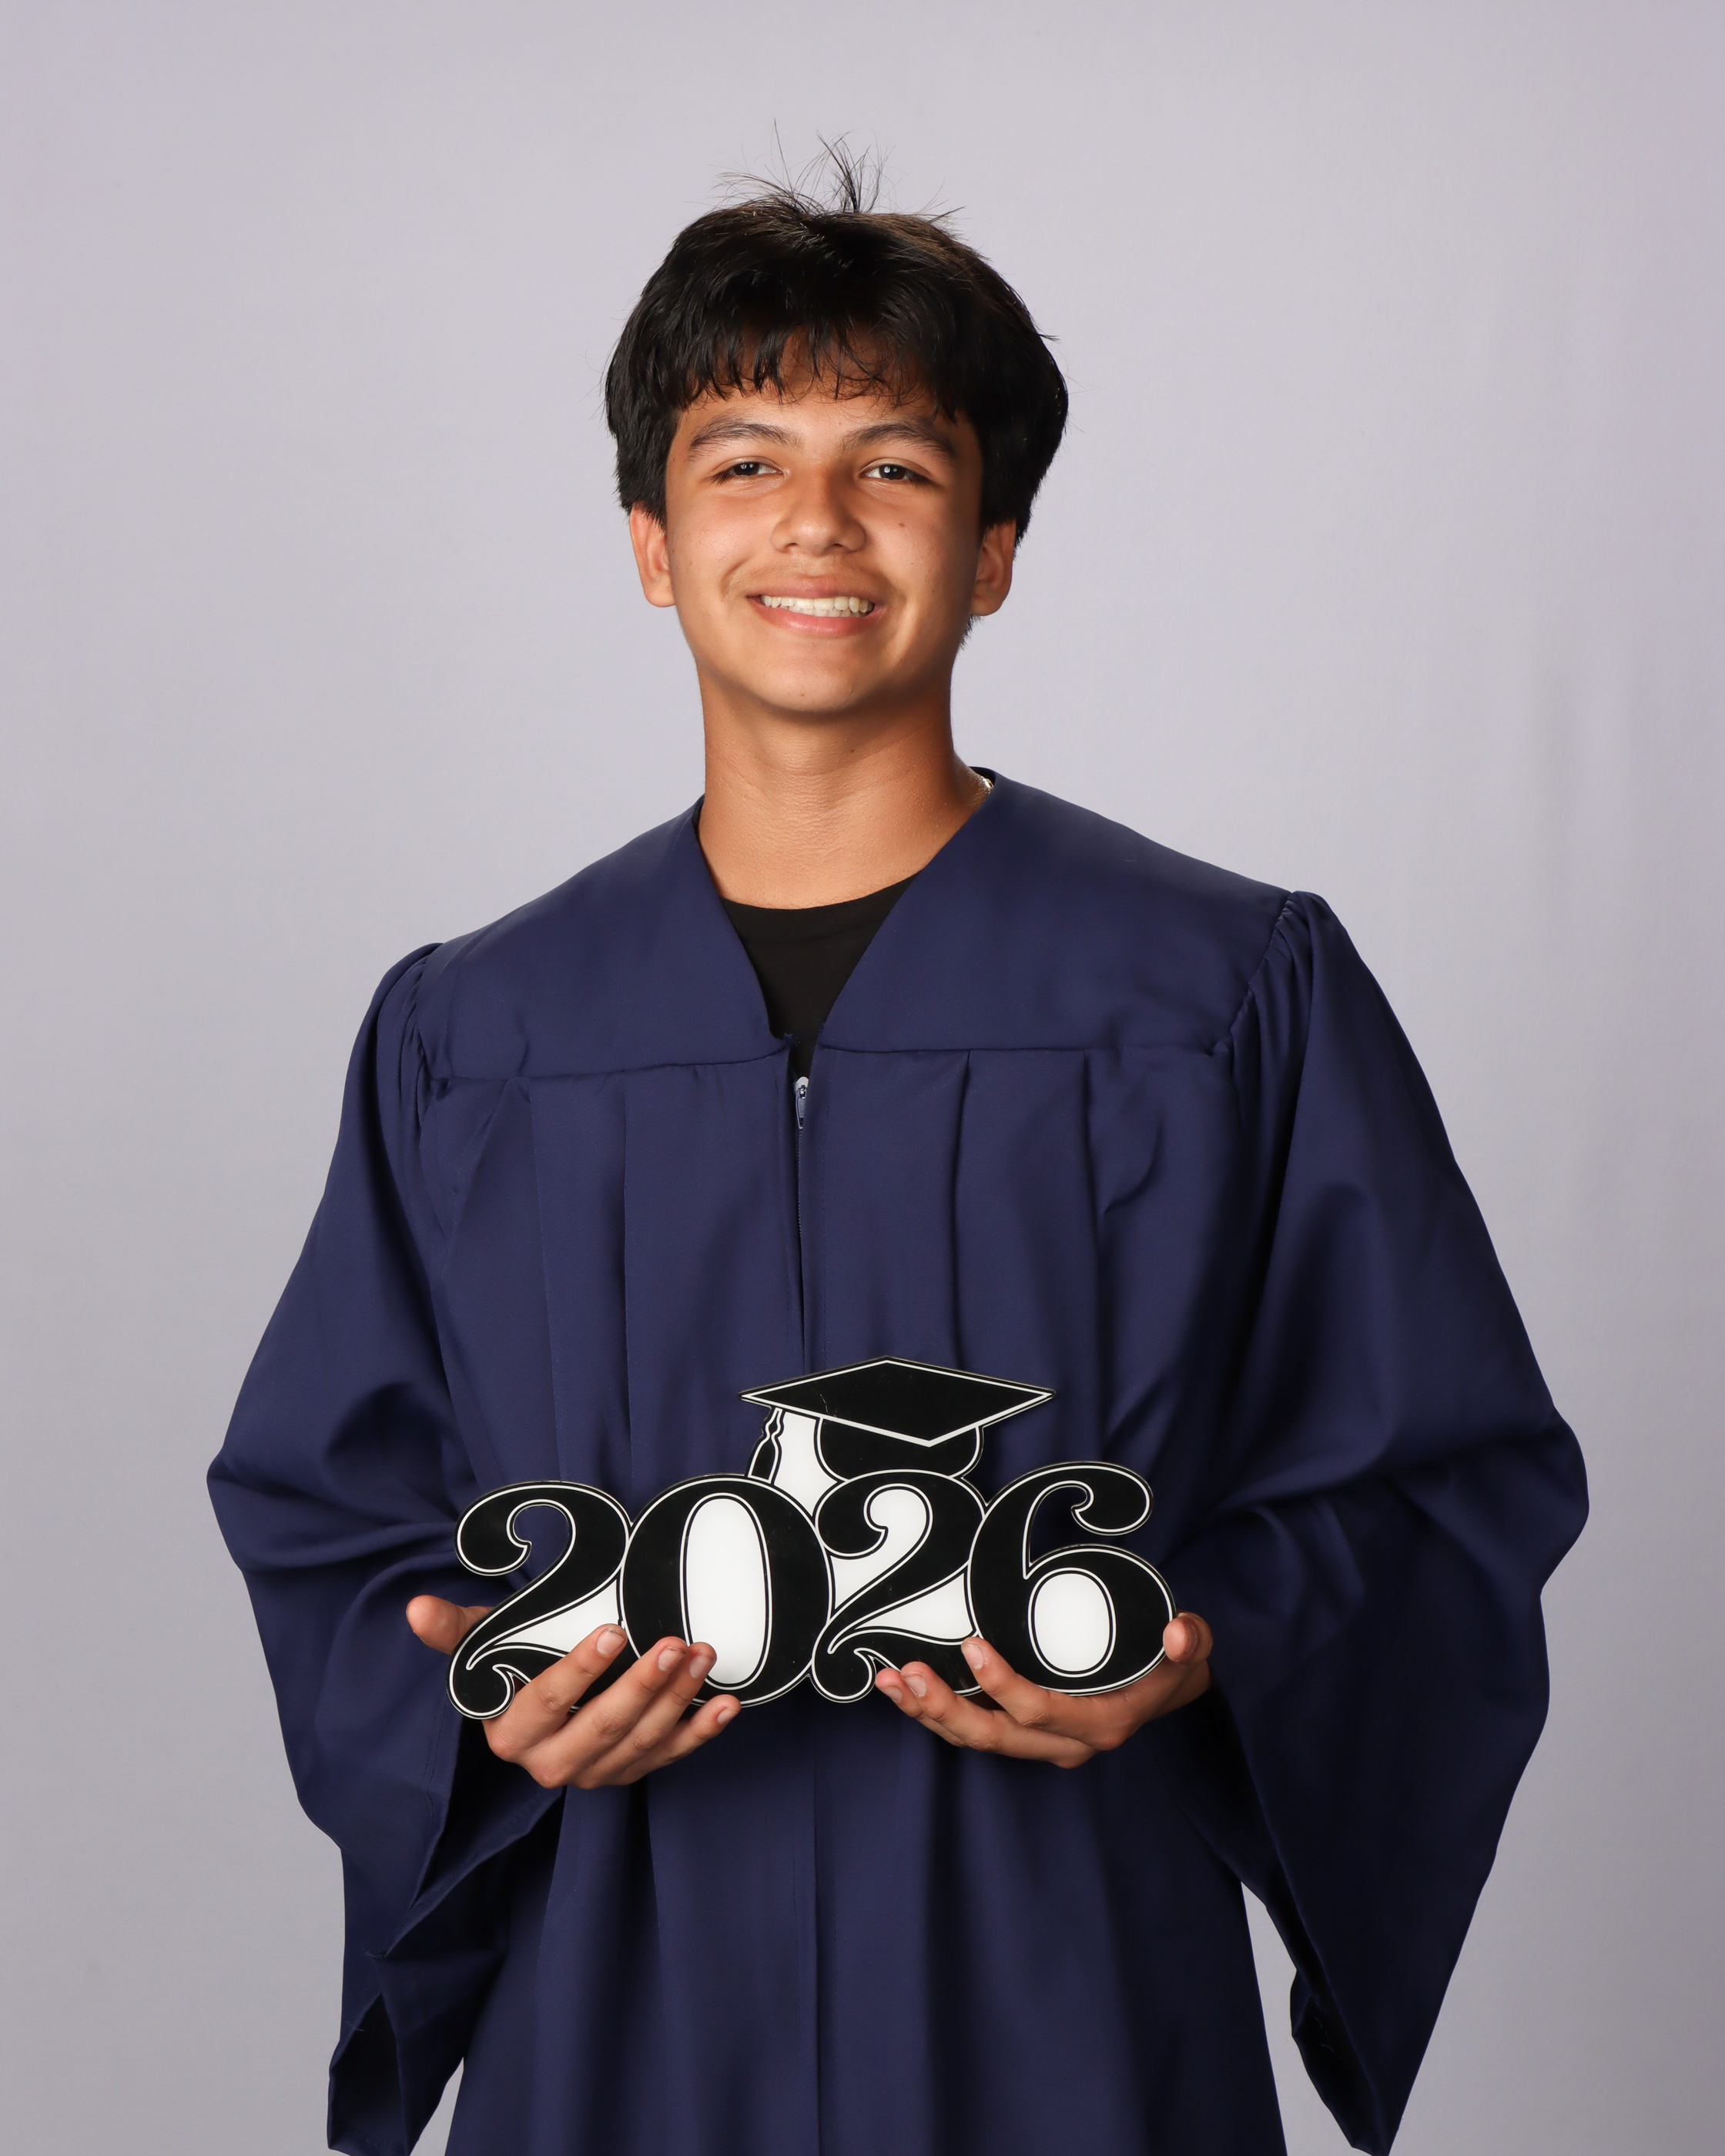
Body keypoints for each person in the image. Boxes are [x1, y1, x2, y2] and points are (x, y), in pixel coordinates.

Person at [210, 163, 1586, 2156]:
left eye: (896, 468)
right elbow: (334, 1511)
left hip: (1070, 1986)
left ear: (995, 549)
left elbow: (1440, 1472)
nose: (816, 525)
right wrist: (478, 1707)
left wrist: (1203, 1647)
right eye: (744, 463)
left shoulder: (1222, 991)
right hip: (622, 1993)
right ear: (652, 544)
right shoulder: (482, 1033)